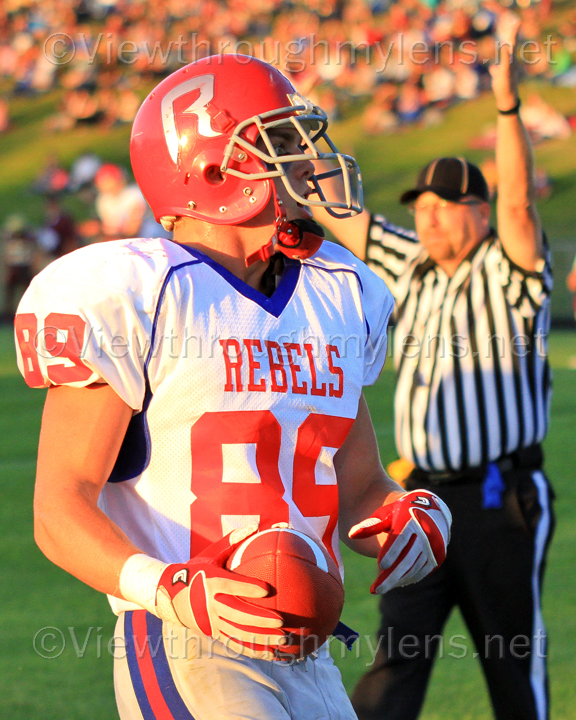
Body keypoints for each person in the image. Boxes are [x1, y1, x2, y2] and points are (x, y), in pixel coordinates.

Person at [14, 55, 451, 720]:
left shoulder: (337, 291)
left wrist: (403, 516)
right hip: (185, 635)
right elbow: (58, 509)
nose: (307, 160)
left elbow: (359, 485)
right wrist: (170, 589)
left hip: (307, 644)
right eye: (278, 142)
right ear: (213, 168)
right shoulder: (143, 294)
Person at [315, 22, 554, 720]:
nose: (426, 220)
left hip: (499, 499)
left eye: (442, 208)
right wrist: (304, 135)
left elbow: (518, 202)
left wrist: (506, 107)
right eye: (419, 208)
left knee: (512, 666)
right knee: (396, 664)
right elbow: (343, 211)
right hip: (420, 498)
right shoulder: (408, 266)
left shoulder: (507, 270)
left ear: (477, 214)